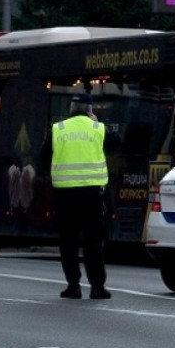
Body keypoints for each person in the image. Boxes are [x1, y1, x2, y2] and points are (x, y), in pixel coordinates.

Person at [40, 92, 113, 300]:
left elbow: (43, 160)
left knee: (68, 242)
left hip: (65, 195)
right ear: (90, 111)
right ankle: (97, 287)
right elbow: (116, 146)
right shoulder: (99, 129)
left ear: (71, 108)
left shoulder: (57, 129)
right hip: (93, 195)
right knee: (93, 242)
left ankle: (73, 286)